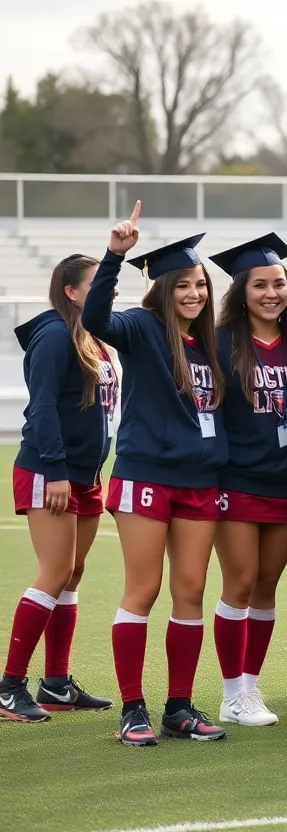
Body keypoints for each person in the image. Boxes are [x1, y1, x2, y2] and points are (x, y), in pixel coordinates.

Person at [82, 204, 230, 746]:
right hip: (147, 475)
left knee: (190, 589)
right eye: (184, 285)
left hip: (201, 482)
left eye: (200, 284)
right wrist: (115, 255)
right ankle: (132, 708)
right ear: (164, 289)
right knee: (143, 589)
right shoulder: (142, 327)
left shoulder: (209, 341)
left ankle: (179, 705)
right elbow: (96, 320)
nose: (194, 293)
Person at [210, 234, 287, 726]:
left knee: (267, 585)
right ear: (242, 290)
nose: (271, 292)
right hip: (236, 481)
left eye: (278, 283)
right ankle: (232, 693)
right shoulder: (219, 343)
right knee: (240, 581)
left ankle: (251, 687)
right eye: (260, 284)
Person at [1, 254, 118, 722]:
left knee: (73, 573)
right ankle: (9, 684)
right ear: (70, 291)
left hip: (85, 473)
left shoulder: (93, 335)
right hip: (52, 471)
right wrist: (54, 471)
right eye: (96, 286)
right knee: (54, 572)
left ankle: (56, 683)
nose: (106, 293)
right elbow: (43, 407)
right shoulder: (53, 334)